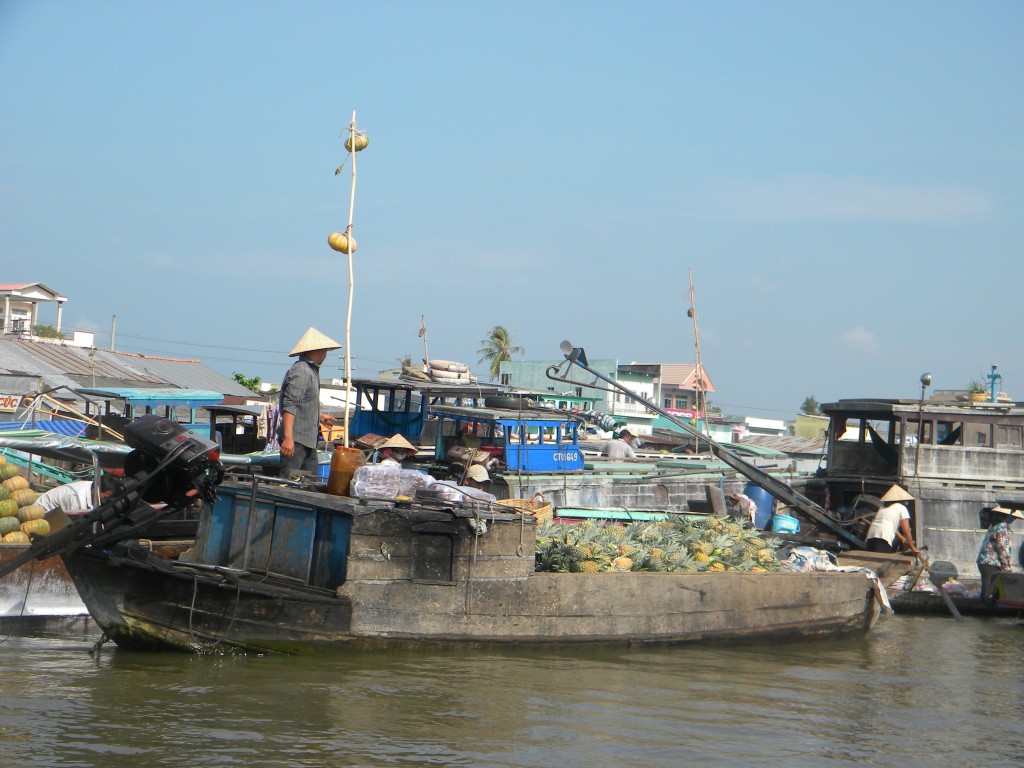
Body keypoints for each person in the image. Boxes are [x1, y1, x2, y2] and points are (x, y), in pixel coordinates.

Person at [278, 327, 341, 478]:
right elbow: (290, 405)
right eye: (325, 351)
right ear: (318, 351)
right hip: (296, 440)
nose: (325, 355)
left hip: (308, 441)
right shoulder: (301, 371)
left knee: (310, 483)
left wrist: (320, 416)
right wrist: (288, 438)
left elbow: (303, 404)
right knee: (289, 482)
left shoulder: (311, 371)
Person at [977, 506, 1021, 604]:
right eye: (1013, 517)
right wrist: (1006, 567)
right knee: (989, 590)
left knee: (988, 587)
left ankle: (985, 607)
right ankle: (987, 611)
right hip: (990, 563)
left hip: (984, 562)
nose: (1013, 519)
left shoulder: (995, 526)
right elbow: (1002, 548)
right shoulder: (1002, 528)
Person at [864, 484, 921, 555]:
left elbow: (889, 527)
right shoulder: (901, 508)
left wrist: (903, 539)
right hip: (883, 537)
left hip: (871, 535)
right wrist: (913, 548)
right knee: (880, 561)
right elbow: (906, 530)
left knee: (870, 562)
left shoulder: (882, 507)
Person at [36, 474, 117, 514]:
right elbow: (73, 523)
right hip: (42, 515)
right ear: (96, 490)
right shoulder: (77, 498)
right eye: (105, 497)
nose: (105, 500)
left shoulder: (92, 485)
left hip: (60, 513)